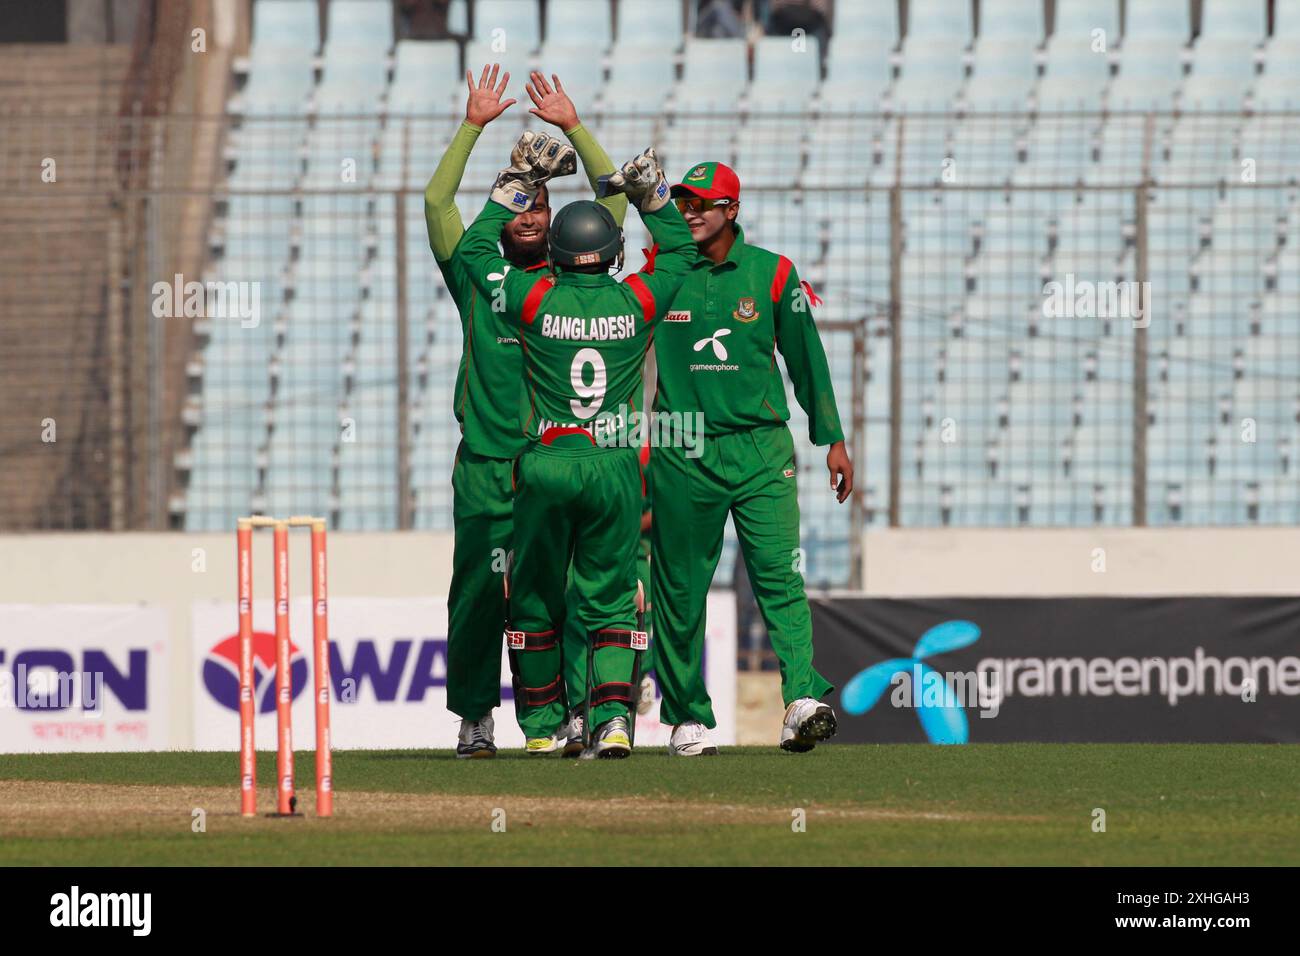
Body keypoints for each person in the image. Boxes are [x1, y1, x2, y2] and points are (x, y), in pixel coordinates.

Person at [454, 143, 694, 757]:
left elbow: (478, 250)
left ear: (554, 258)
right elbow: (684, 250)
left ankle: (540, 730)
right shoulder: (637, 300)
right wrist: (652, 196)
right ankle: (613, 720)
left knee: (534, 592)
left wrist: (515, 185)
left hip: (545, 463)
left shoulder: (535, 300)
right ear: (614, 254)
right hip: (614, 463)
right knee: (611, 593)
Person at [425, 65, 627, 758]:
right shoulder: (475, 276)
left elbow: (616, 202)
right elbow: (435, 203)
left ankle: (573, 716)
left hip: (554, 463)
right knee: (481, 597)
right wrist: (473, 126)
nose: (531, 213)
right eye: (520, 202)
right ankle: (476, 718)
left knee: (567, 596)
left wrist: (574, 126)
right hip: (487, 465)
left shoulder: (578, 281)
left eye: (541, 203)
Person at [649, 160, 854, 755]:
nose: (690, 212)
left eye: (703, 204)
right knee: (681, 587)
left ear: (731, 210)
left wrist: (832, 439)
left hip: (762, 447)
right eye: (683, 202)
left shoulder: (773, 273)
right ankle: (687, 717)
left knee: (780, 576)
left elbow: (805, 358)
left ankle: (798, 702)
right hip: (682, 445)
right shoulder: (661, 269)